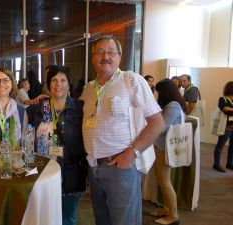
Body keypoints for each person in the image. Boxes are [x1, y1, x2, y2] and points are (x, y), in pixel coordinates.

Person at [79, 35, 164, 225]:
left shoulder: (131, 80)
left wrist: (132, 153)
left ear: (119, 56)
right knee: (103, 220)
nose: (105, 56)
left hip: (120, 167)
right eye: (100, 52)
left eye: (111, 52)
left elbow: (157, 122)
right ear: (93, 57)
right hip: (94, 168)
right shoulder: (88, 89)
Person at [32, 65, 87, 225]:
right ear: (48, 84)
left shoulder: (79, 107)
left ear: (69, 84)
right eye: (54, 80)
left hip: (72, 171)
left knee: (68, 217)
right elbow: (15, 107)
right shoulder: (39, 107)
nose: (58, 84)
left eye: (63, 80)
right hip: (45, 171)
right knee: (46, 215)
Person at [152, 79, 185, 225]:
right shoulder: (173, 104)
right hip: (163, 146)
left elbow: (162, 127)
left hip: (164, 148)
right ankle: (167, 209)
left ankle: (173, 215)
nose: (158, 95)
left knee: (164, 182)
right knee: (163, 180)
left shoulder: (173, 105)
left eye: (159, 92)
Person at [212, 81, 233, 172]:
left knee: (232, 146)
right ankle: (216, 164)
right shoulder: (222, 99)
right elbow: (225, 110)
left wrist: (230, 109)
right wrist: (228, 109)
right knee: (220, 145)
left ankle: (229, 163)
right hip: (226, 127)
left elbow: (229, 110)